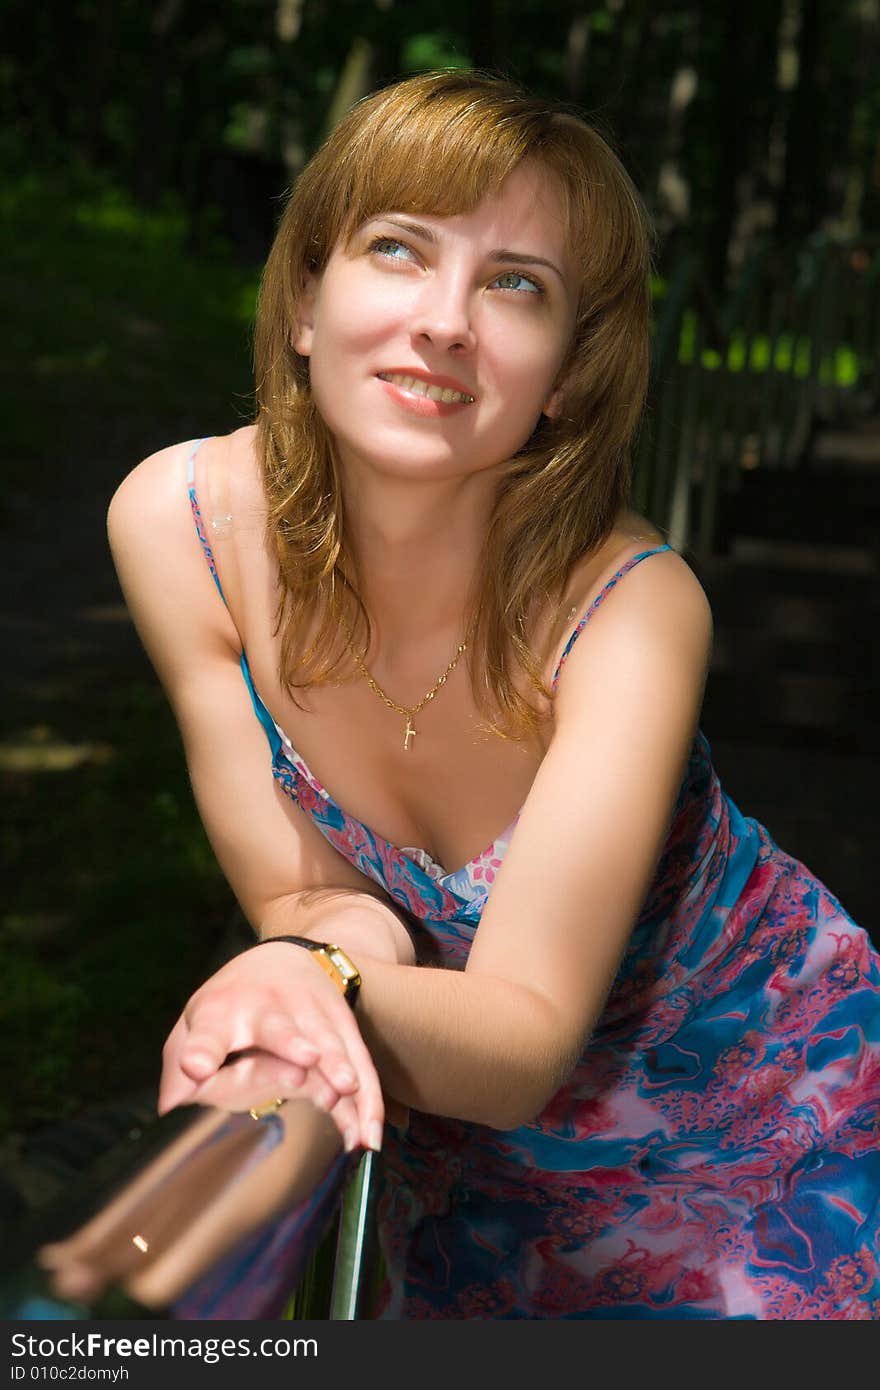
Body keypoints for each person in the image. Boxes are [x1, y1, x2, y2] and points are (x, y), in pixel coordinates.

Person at [106, 70, 880, 1320]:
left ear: (569, 373)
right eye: (399, 249)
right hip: (471, 1182)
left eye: (516, 284)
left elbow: (518, 1039)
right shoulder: (181, 528)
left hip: (777, 1145)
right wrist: (302, 963)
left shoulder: (630, 606)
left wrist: (320, 985)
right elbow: (318, 897)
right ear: (305, 299)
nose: (446, 321)